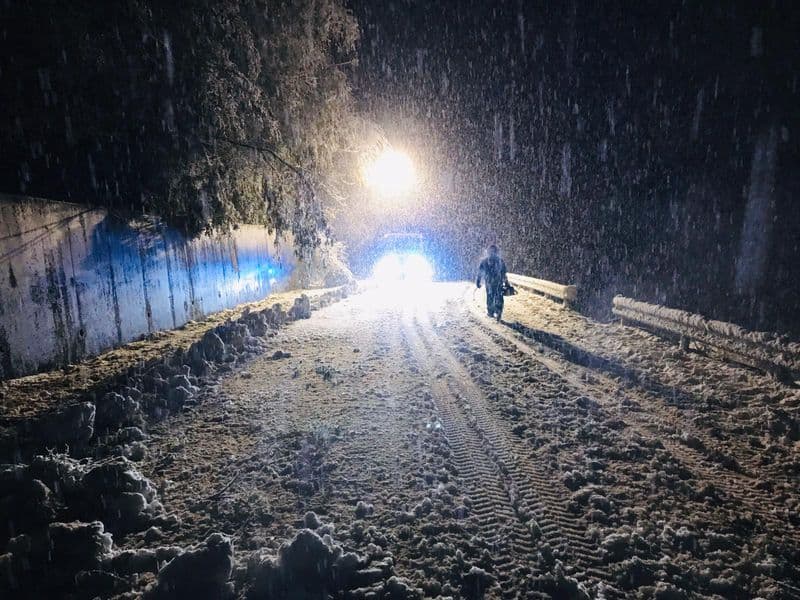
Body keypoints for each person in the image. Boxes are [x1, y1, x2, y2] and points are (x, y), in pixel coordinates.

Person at [476, 244, 509, 321]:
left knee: (490, 296)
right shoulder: (500, 261)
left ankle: (491, 311)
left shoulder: (484, 261)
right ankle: (498, 311)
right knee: (499, 296)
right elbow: (503, 273)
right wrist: (506, 283)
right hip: (498, 282)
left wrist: (478, 281)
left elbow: (480, 273)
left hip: (489, 282)